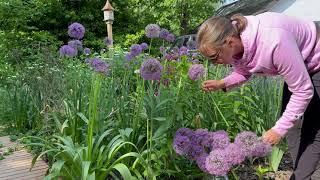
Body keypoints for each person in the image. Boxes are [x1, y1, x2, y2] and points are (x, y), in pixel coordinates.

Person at [196, 12, 320, 180]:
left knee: (312, 131)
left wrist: (278, 129)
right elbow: (243, 70)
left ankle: (300, 176)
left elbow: (303, 90)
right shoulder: (236, 40)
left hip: (316, 59)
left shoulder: (274, 42)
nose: (214, 63)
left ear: (229, 42)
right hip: (299, 65)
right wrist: (223, 83)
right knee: (292, 127)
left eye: (214, 57)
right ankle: (303, 171)